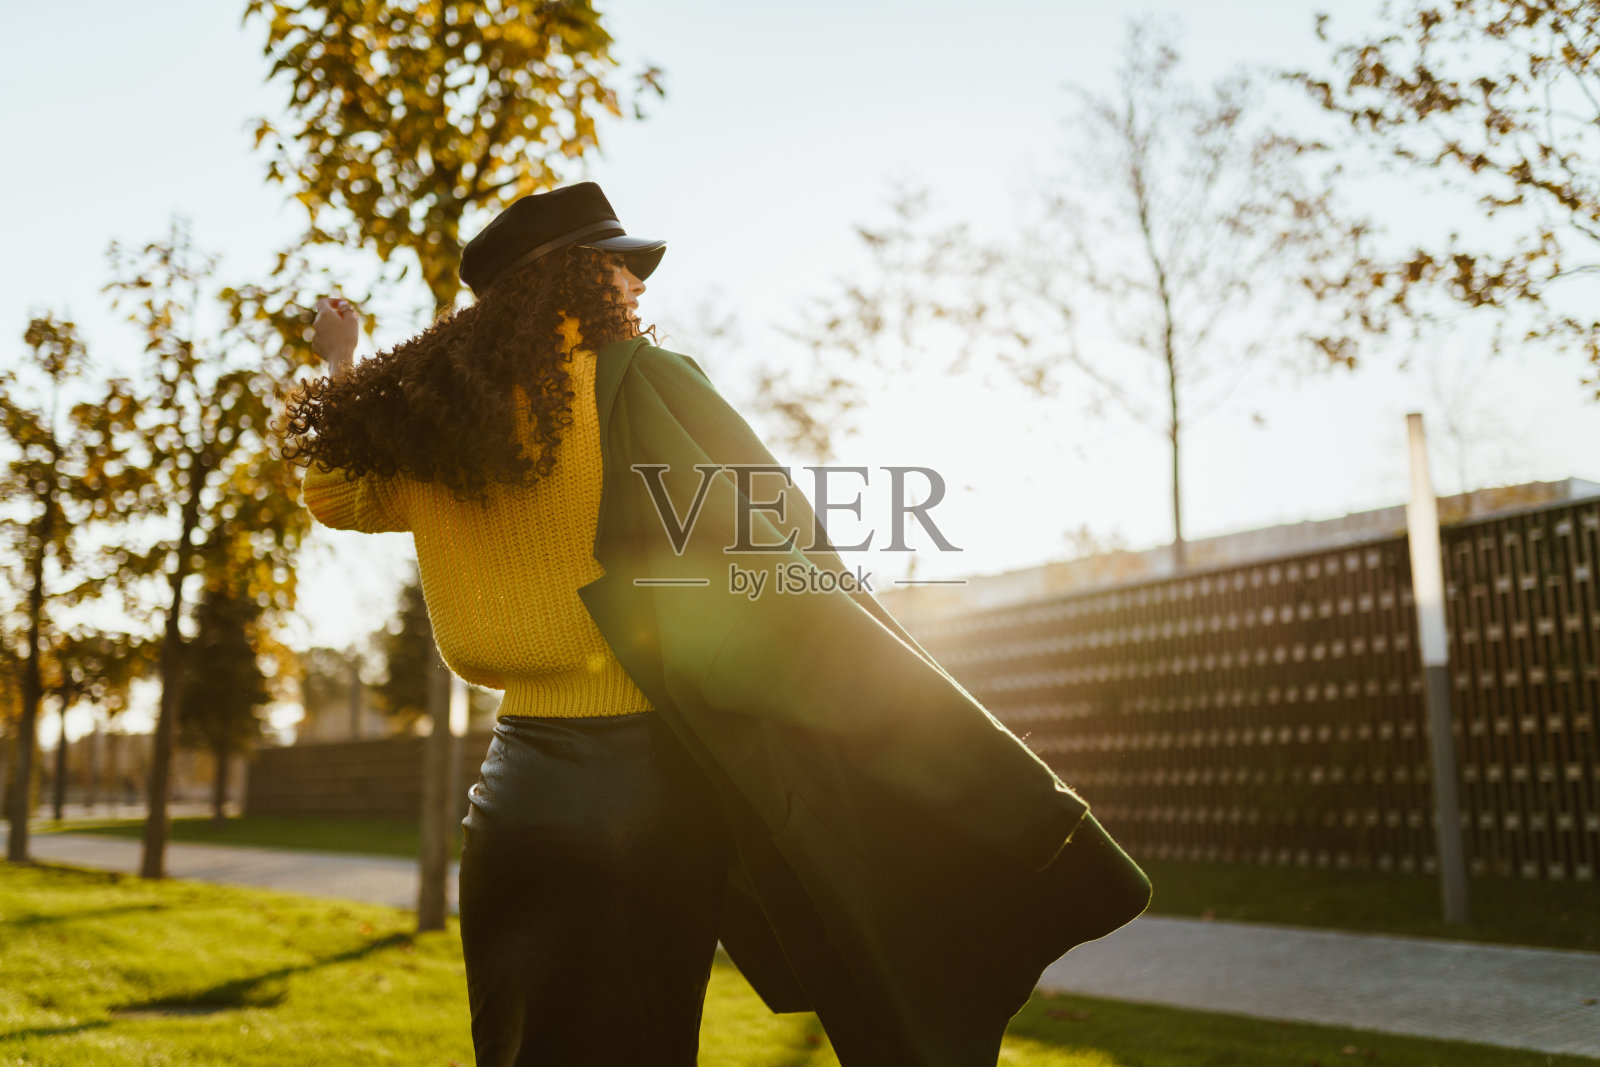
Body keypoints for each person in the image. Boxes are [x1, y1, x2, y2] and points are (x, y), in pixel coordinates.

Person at [283, 182, 1151, 1067]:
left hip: (511, 802)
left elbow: (336, 491)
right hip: (643, 789)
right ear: (571, 279)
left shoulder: (440, 429)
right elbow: (779, 541)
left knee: (521, 1048)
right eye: (619, 265)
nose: (638, 285)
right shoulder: (641, 385)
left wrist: (342, 362)